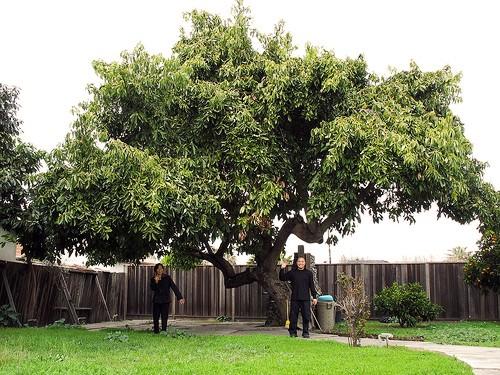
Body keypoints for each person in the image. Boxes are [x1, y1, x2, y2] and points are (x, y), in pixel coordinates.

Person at [279, 256, 318, 338]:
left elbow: (312, 286)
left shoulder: (309, 273)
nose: (300, 263)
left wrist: (314, 297)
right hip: (295, 298)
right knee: (293, 317)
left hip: (305, 299)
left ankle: (305, 332)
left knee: (306, 316)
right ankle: (293, 332)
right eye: (299, 261)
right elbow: (282, 278)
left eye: (302, 261)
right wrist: (282, 268)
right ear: (297, 263)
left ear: (305, 263)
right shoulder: (292, 272)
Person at [150, 263, 185, 334]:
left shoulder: (167, 278)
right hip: (156, 300)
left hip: (165, 300)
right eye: (158, 268)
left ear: (163, 269)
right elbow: (153, 288)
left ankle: (163, 331)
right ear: (155, 270)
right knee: (155, 317)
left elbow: (174, 287)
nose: (160, 270)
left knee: (164, 317)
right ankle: (156, 331)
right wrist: (156, 282)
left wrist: (180, 297)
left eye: (161, 268)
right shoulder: (153, 279)